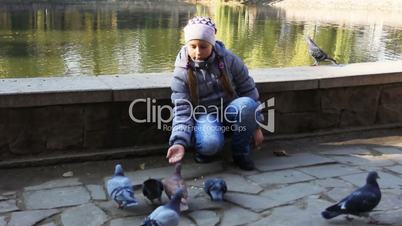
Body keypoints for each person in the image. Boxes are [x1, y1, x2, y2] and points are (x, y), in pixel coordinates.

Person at [166, 16, 264, 170]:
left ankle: (240, 152)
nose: (197, 52)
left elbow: (248, 89)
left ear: (212, 44)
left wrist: (256, 126)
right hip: (204, 115)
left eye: (203, 46)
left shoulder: (229, 59)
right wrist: (179, 142)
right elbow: (182, 111)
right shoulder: (181, 72)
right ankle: (204, 147)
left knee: (248, 104)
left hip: (230, 109)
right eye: (193, 46)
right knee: (210, 145)